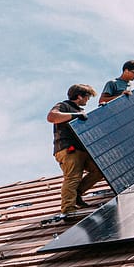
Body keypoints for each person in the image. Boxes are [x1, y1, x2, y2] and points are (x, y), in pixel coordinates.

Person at [47, 84, 104, 220]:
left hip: (82, 150)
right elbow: (51, 117)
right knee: (73, 177)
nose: (87, 100)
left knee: (99, 170)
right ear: (79, 96)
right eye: (87, 97)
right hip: (68, 149)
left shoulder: (80, 111)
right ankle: (68, 209)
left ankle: (77, 194)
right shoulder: (63, 106)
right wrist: (75, 115)